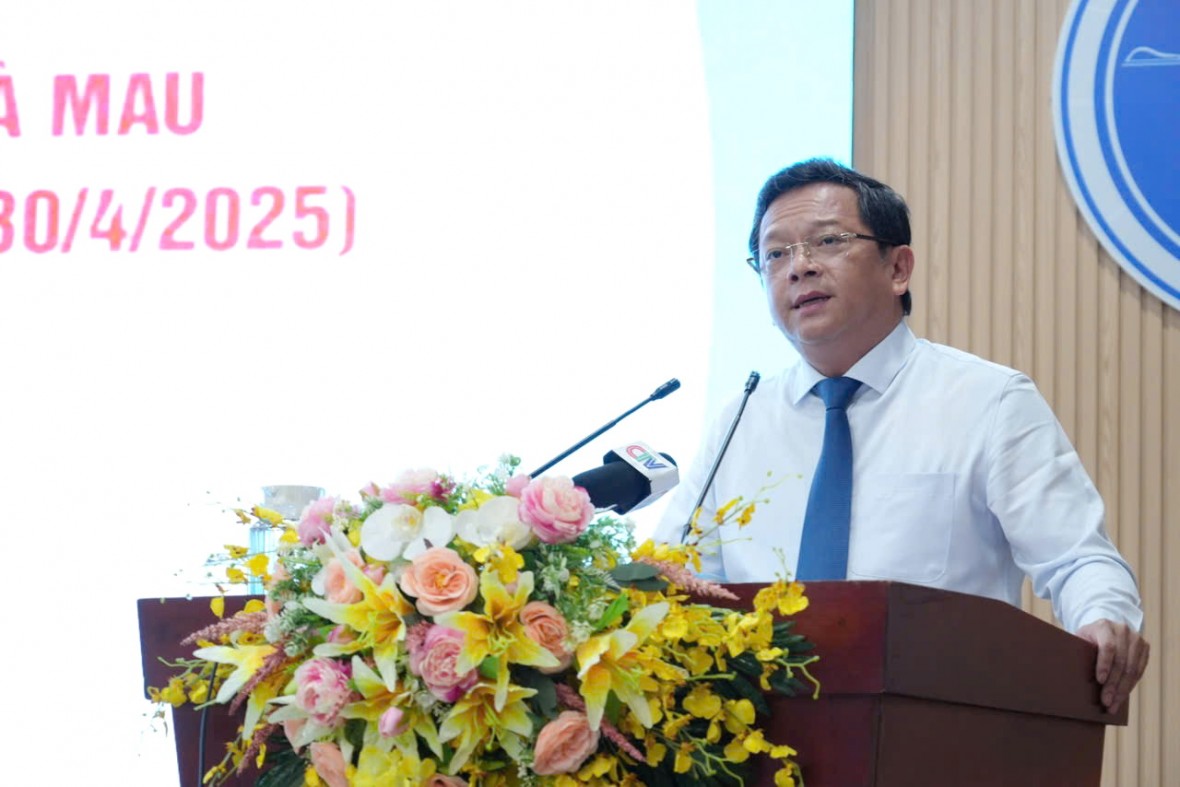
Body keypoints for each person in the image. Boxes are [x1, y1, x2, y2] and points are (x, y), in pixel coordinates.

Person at [654, 158, 1149, 714]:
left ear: (898, 268)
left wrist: (1104, 618)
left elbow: (1076, 557)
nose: (799, 268)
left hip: (938, 725)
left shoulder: (988, 401)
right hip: (761, 732)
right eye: (776, 254)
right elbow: (675, 577)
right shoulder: (740, 419)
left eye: (827, 241)